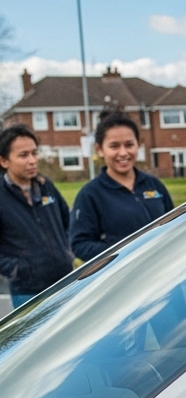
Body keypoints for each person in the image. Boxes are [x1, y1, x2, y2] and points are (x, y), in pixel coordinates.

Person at [69, 114, 174, 261]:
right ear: (100, 149)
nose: (123, 153)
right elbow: (80, 245)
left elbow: (174, 227)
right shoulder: (90, 194)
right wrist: (125, 252)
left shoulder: (154, 185)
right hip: (125, 280)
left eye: (129, 145)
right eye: (114, 146)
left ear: (139, 144)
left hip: (165, 273)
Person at [0, 125, 73, 308]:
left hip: (65, 282)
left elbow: (68, 221)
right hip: (28, 292)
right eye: (23, 155)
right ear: (4, 161)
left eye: (34, 153)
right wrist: (16, 269)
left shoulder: (45, 186)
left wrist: (67, 252)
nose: (32, 160)